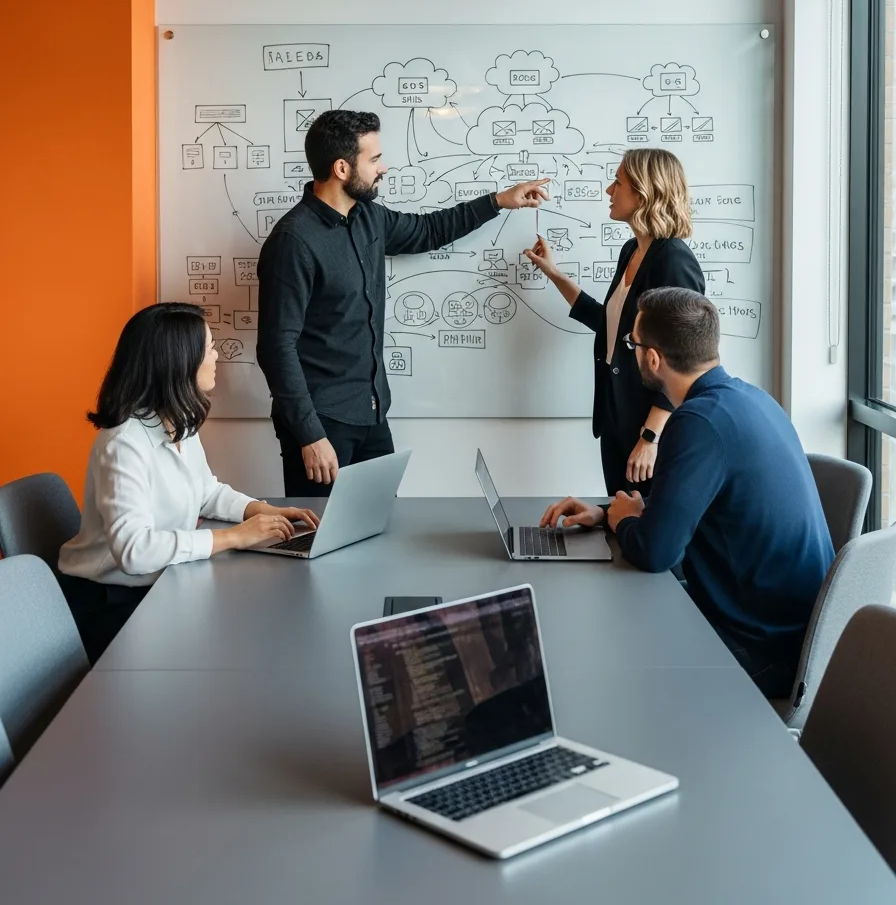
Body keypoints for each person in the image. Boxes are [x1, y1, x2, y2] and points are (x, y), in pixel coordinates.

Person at [542, 288, 834, 698]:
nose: (632, 351)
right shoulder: (752, 399)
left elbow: (656, 553)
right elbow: (690, 507)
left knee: (602, 647)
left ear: (653, 359)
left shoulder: (698, 421)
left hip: (761, 651)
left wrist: (623, 521)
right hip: (798, 634)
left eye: (632, 343)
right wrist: (608, 513)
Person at [256, 108, 548, 497]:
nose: (383, 168)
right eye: (374, 159)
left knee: (380, 525)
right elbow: (276, 348)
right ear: (342, 168)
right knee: (321, 533)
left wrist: (498, 201)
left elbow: (429, 230)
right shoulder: (293, 242)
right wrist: (309, 435)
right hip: (322, 424)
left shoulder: (368, 218)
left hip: (372, 414)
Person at [58, 303, 319, 663]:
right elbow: (134, 551)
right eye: (209, 348)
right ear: (179, 362)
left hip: (158, 583)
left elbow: (205, 491)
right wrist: (234, 537)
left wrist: (260, 510)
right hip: (108, 601)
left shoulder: (178, 421)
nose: (217, 356)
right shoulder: (123, 444)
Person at [524, 148, 704, 497]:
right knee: (620, 517)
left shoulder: (673, 260)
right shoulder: (631, 251)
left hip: (649, 430)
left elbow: (685, 358)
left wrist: (650, 436)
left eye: (618, 182)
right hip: (617, 419)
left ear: (644, 192)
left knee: (645, 521)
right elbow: (611, 325)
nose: (609, 190)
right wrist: (553, 273)